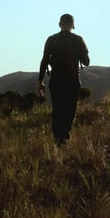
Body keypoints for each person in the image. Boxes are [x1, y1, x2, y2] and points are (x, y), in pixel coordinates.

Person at [39, 13, 90, 145]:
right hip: (72, 81)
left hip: (55, 81)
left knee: (57, 111)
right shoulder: (78, 39)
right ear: (72, 25)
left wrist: (40, 81)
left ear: (60, 24)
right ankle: (65, 137)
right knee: (69, 111)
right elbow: (86, 62)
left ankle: (58, 140)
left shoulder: (51, 39)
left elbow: (44, 61)